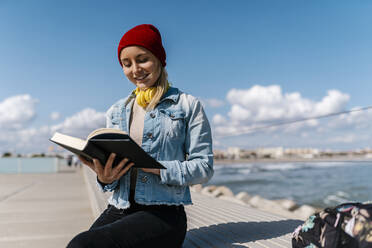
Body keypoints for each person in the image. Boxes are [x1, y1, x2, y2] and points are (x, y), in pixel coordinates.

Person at [67, 24, 213, 248]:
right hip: (119, 207)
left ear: (159, 60)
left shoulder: (188, 105)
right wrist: (105, 178)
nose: (135, 70)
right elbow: (113, 176)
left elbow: (204, 167)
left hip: (164, 214)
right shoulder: (116, 110)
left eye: (142, 59)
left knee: (83, 245)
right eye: (127, 64)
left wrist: (157, 167)